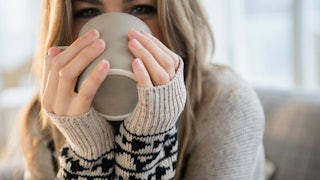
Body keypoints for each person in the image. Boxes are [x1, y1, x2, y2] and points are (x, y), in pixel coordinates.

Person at [20, 0, 265, 179]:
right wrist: (87, 151)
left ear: (176, 19)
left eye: (141, 9)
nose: (120, 34)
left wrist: (147, 141)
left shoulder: (227, 104)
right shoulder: (42, 118)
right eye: (88, 12)